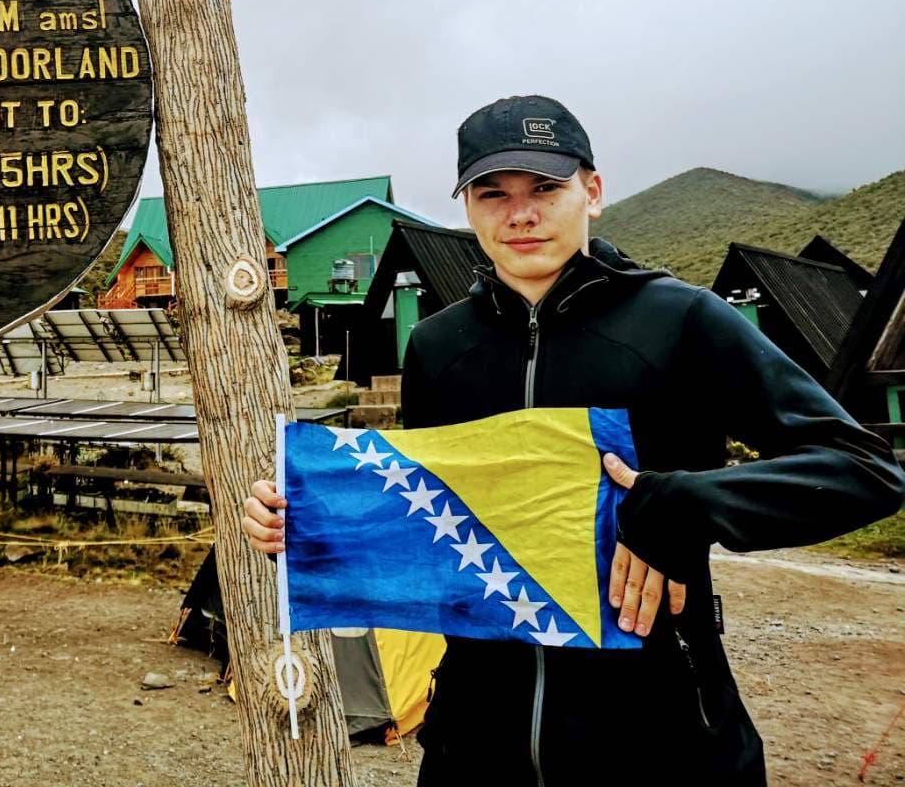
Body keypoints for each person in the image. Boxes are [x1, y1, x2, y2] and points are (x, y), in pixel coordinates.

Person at [243, 94, 904, 786]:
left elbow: (864, 469)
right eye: (492, 192)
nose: (520, 214)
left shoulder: (681, 321)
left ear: (591, 192)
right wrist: (307, 520)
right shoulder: (439, 348)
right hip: (474, 744)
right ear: (466, 206)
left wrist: (684, 503)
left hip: (662, 742)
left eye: (545, 189)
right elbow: (431, 514)